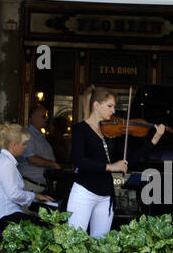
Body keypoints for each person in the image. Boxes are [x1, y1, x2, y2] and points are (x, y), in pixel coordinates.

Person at [66, 87, 165, 237]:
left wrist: (154, 140)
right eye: (109, 106)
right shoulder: (81, 129)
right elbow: (78, 161)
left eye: (114, 107)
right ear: (96, 105)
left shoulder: (112, 132)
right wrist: (110, 167)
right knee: (72, 240)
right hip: (84, 192)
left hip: (106, 196)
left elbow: (129, 159)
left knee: (101, 244)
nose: (113, 111)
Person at [0, 123, 56, 238]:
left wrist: (34, 195)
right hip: (1, 218)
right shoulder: (6, 163)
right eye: (24, 144)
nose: (25, 147)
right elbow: (14, 195)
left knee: (41, 224)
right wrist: (35, 195)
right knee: (45, 227)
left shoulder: (5, 161)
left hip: (3, 215)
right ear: (13, 145)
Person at [18, 102, 60, 191]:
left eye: (46, 116)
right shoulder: (27, 135)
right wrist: (53, 164)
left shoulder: (40, 136)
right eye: (43, 116)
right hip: (31, 185)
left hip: (40, 186)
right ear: (32, 117)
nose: (46, 119)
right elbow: (32, 158)